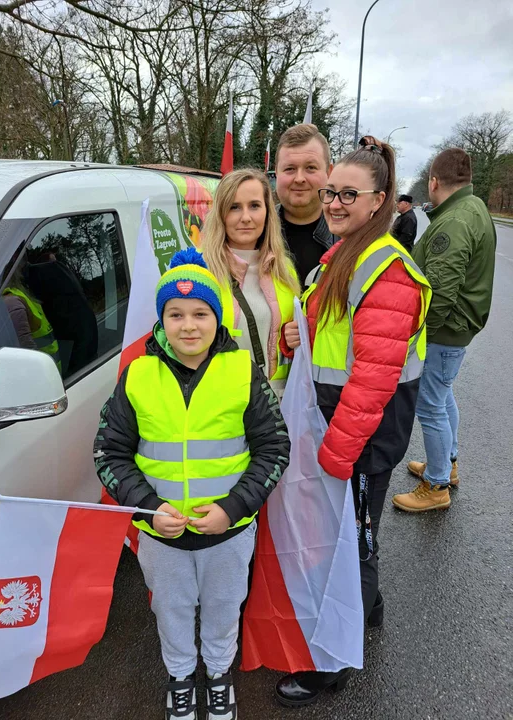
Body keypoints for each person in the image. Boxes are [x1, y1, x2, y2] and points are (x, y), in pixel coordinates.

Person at [94, 247, 290, 720]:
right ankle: (181, 677)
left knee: (225, 607)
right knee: (171, 612)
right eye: (175, 314)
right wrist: (146, 507)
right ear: (161, 319)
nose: (188, 325)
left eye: (201, 313)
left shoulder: (242, 370)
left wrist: (234, 506)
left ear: (217, 317)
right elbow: (109, 453)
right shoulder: (138, 374)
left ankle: (219, 675)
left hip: (229, 531)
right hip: (161, 535)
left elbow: (275, 447)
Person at [276, 136, 432, 707]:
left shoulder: (385, 271)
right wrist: (301, 334)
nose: (334, 202)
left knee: (347, 544)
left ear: (379, 200)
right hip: (344, 430)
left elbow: (371, 380)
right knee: (354, 538)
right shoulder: (345, 254)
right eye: (330, 192)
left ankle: (331, 663)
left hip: (359, 437)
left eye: (348, 194)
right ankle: (371, 609)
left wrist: (337, 456)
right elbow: (335, 338)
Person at [392, 148, 496, 512]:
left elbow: (439, 290)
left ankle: (436, 485)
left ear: (434, 183)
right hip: (458, 329)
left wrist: (417, 337)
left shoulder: (453, 221)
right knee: (443, 396)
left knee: (430, 404)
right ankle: (446, 464)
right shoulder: (474, 208)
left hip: (443, 331)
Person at [201, 168, 300, 399]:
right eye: (234, 207)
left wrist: (291, 340)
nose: (245, 217)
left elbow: (285, 347)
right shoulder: (200, 270)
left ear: (267, 212)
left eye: (254, 206)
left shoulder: (285, 270)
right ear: (221, 214)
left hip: (275, 406)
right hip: (219, 404)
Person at [275, 124, 338, 287]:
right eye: (290, 168)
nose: (299, 178)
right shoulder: (248, 234)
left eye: (310, 168)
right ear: (276, 172)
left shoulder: (353, 237)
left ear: (329, 172)